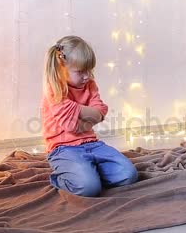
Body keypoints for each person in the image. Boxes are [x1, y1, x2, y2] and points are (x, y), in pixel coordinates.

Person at [41, 35, 138, 197]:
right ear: (61, 67)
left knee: (129, 174)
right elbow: (71, 126)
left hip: (92, 144)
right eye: (80, 71)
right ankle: (65, 178)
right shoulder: (54, 90)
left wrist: (78, 111)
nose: (87, 76)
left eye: (89, 70)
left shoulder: (89, 84)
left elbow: (101, 110)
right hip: (63, 149)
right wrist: (91, 115)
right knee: (89, 189)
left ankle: (90, 172)